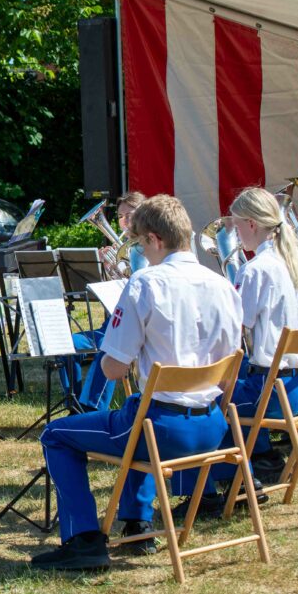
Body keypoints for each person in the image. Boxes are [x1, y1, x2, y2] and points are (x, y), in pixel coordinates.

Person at [31, 194, 242, 571]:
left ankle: (83, 539)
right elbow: (230, 364)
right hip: (213, 425)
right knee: (133, 414)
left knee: (58, 434)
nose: (141, 249)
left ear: (155, 240)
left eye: (141, 241)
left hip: (161, 428)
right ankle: (137, 522)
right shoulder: (223, 284)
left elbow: (113, 369)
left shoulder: (146, 283)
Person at [180, 187, 298, 503]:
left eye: (236, 225)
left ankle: (210, 493)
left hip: (269, 391)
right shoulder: (297, 266)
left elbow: (232, 325)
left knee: (197, 405)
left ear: (252, 225)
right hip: (297, 388)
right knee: (225, 396)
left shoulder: (256, 269)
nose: (236, 232)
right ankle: (242, 476)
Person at [61, 192, 147, 412]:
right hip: (110, 326)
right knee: (65, 344)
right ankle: (75, 405)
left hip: (133, 329)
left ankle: (93, 409)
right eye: (120, 215)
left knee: (109, 349)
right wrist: (107, 270)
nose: (124, 220)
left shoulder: (149, 249)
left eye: (130, 214)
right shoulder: (121, 252)